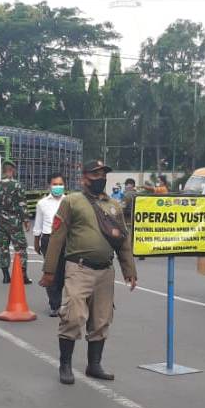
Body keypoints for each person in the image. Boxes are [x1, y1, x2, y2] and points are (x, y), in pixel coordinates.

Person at [39, 160, 137, 385]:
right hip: (78, 268)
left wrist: (129, 269)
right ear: (84, 178)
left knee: (102, 319)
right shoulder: (72, 202)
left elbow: (122, 240)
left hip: (105, 271)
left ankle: (94, 364)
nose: (100, 178)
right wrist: (49, 271)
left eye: (103, 174)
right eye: (95, 174)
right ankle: (65, 364)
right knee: (73, 316)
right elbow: (57, 238)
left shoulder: (113, 205)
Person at [0, 160, 31, 284]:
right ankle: (23, 275)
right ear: (12, 170)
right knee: (21, 248)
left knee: (4, 248)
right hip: (14, 222)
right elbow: (22, 204)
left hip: (1, 222)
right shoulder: (17, 185)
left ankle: (5, 275)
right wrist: (26, 220)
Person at [34, 175, 67, 317]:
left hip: (66, 240)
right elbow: (38, 224)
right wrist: (37, 241)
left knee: (64, 273)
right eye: (55, 184)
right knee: (51, 272)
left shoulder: (70, 202)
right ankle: (55, 304)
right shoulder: (42, 203)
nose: (58, 187)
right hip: (48, 239)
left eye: (60, 184)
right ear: (49, 186)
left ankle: (63, 300)